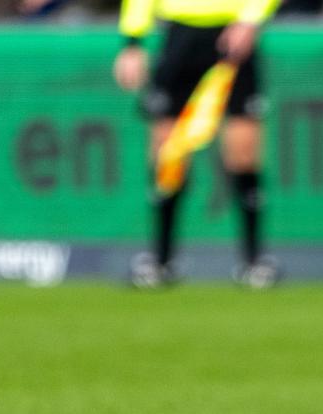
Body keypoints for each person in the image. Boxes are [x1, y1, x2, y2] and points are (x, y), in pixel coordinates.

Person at [114, 0, 281, 288]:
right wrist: (133, 41)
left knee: (243, 152)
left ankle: (253, 262)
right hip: (180, 35)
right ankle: (162, 261)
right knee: (168, 151)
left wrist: (251, 19)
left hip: (233, 31)